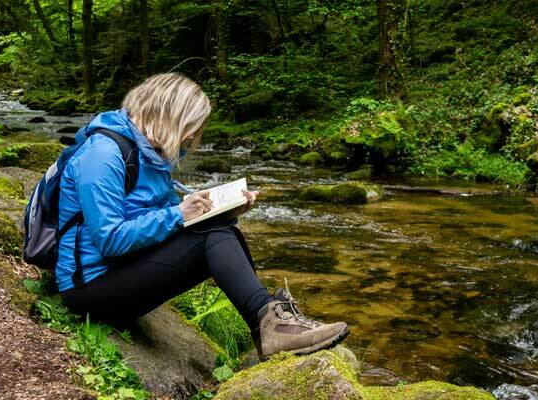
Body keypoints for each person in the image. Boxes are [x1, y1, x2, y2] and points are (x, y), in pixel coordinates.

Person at [56, 72, 349, 360]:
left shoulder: (148, 152)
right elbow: (110, 239)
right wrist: (179, 213)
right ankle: (271, 325)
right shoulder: (102, 154)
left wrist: (225, 211)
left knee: (221, 228)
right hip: (89, 288)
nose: (194, 135)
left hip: (122, 269)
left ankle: (269, 326)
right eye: (191, 125)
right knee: (212, 235)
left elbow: (164, 221)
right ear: (168, 114)